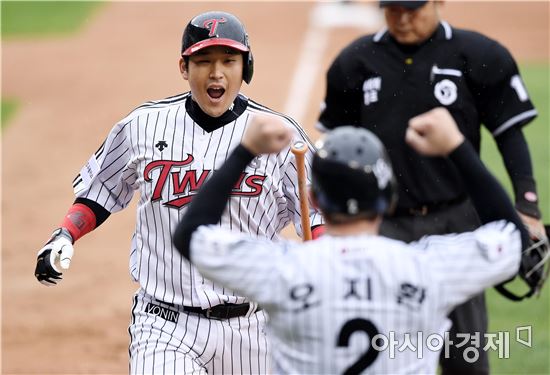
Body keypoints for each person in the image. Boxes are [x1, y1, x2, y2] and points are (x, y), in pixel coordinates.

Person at [34, 10, 323, 374]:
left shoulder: (283, 137)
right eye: (203, 61)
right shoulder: (142, 126)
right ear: (184, 68)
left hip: (257, 326)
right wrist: (66, 233)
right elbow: (101, 190)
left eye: (228, 61)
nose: (216, 73)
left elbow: (318, 220)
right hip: (165, 323)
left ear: (245, 68)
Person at [173, 107, 547, 373]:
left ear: (315, 199)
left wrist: (245, 151)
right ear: (388, 198)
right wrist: (457, 147)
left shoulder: (282, 269)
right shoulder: (429, 269)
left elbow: (190, 234)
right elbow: (512, 235)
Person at [316, 1, 545, 373]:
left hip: (457, 224)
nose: (403, 18)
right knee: (385, 355)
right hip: (383, 229)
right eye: (393, 9)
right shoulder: (354, 62)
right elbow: (335, 150)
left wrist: (528, 205)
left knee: (466, 360)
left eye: (412, 8)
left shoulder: (478, 54)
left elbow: (510, 135)